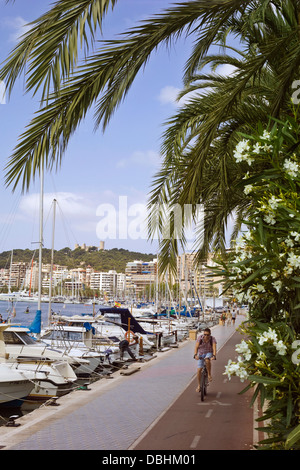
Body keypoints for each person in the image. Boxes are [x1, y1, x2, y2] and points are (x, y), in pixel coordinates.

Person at [194, 328, 217, 392]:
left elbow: (214, 348)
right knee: (199, 370)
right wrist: (195, 355)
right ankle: (199, 385)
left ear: (210, 334)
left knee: (207, 360)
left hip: (209, 353)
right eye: (205, 334)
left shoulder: (212, 339)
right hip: (201, 354)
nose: (206, 336)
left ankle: (209, 375)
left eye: (207, 335)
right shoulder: (200, 338)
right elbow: (196, 347)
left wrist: (214, 356)